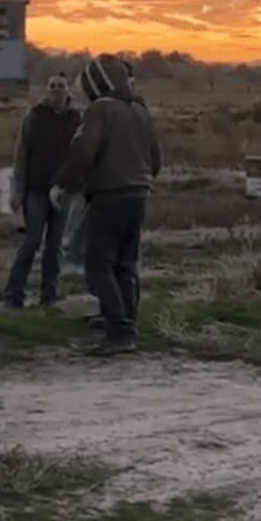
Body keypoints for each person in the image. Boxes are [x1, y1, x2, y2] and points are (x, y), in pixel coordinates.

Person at [53, 54, 162, 355]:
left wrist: (65, 184)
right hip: (138, 195)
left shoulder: (100, 109)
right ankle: (127, 322)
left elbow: (84, 151)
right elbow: (155, 158)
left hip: (109, 194)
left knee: (99, 264)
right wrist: (140, 180)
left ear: (96, 83)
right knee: (125, 264)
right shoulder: (139, 109)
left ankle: (119, 331)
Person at [0, 73, 82, 308]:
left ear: (68, 90)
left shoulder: (76, 118)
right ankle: (14, 294)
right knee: (32, 241)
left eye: (60, 86)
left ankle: (49, 294)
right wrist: (17, 189)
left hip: (64, 190)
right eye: (52, 85)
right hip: (36, 189)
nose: (56, 90)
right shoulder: (34, 116)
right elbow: (21, 153)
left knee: (55, 245)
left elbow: (81, 154)